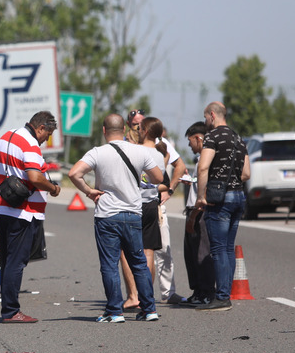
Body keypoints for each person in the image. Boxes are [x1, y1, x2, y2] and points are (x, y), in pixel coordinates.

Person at [68, 113, 164, 323]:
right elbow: (159, 178)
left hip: (107, 215)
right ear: (124, 129)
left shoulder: (97, 152)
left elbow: (74, 173)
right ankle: (149, 309)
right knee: (138, 262)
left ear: (104, 131)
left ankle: (114, 311)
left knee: (110, 264)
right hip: (132, 213)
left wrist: (89, 191)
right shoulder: (140, 151)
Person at [0, 111, 61, 323]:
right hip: (23, 212)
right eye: (47, 135)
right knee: (16, 262)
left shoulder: (6, 136)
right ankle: (11, 311)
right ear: (40, 128)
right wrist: (53, 188)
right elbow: (34, 176)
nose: (46, 140)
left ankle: (7, 307)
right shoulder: (30, 144)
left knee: (7, 260)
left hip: (4, 208)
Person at [194, 102, 250, 312]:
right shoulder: (238, 138)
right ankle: (225, 294)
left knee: (217, 249)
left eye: (206, 118)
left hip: (220, 199)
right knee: (228, 248)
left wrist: (201, 196)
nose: (206, 122)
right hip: (238, 198)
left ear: (212, 115)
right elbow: (246, 174)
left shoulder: (213, 137)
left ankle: (222, 297)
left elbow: (203, 167)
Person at [118, 116, 169, 310]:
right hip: (151, 204)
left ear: (145, 131)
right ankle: (147, 296)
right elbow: (160, 180)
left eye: (140, 128)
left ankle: (133, 295)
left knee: (125, 250)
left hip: (135, 203)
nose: (138, 130)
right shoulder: (159, 152)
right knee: (148, 251)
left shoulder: (136, 151)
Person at [178, 121, 216, 307]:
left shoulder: (206, 160)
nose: (189, 145)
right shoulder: (200, 159)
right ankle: (198, 291)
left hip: (199, 211)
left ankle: (207, 292)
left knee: (202, 254)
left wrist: (194, 215)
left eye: (190, 141)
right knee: (191, 255)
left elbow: (206, 189)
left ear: (198, 138)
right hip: (192, 210)